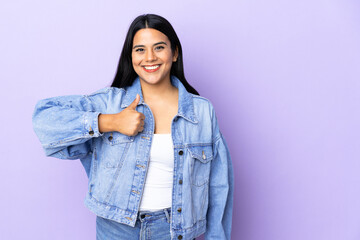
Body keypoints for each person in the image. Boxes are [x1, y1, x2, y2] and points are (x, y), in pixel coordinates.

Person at [32, 13, 234, 240]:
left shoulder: (201, 112)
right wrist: (111, 121)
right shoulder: (110, 103)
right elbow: (44, 118)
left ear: (174, 53)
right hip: (115, 229)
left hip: (174, 231)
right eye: (140, 49)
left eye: (159, 48)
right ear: (131, 56)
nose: (150, 57)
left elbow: (219, 187)